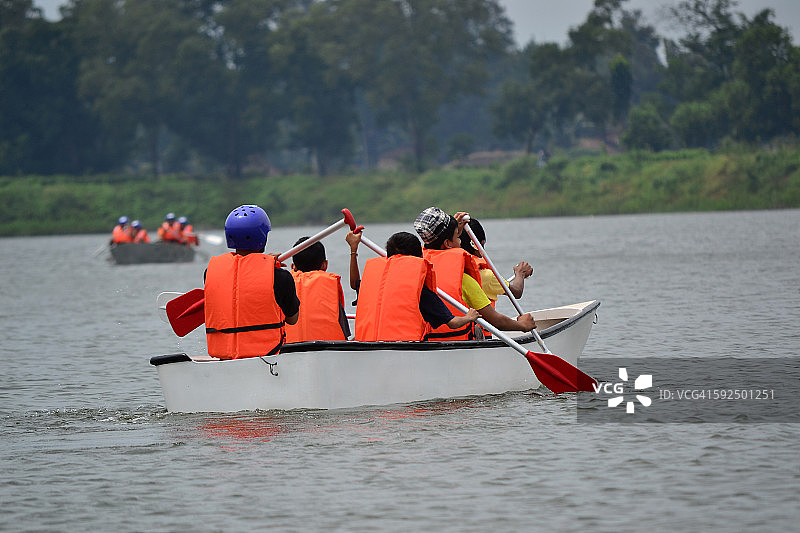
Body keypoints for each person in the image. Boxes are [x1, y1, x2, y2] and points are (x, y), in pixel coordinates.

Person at [413, 207, 536, 340]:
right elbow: (497, 321)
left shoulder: (419, 269)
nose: (461, 240)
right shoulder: (465, 280)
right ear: (448, 243)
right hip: (459, 342)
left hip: (426, 339)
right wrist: (522, 325)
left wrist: (453, 228)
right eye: (457, 236)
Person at [347, 230, 480, 342]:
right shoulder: (420, 290)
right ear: (419, 257)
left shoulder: (374, 284)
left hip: (369, 348)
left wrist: (354, 249)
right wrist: (468, 317)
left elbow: (354, 283)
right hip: (406, 350)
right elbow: (452, 323)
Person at [203, 205, 299, 359]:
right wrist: (265, 264)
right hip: (268, 356)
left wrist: (263, 263)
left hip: (225, 358)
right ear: (263, 237)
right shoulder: (281, 277)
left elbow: (241, 281)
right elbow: (292, 319)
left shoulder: (209, 273)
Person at [285, 236, 350, 343]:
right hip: (328, 350)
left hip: (289, 349)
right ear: (325, 265)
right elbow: (345, 334)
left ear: (293, 266)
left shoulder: (283, 285)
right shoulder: (330, 286)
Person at [459, 217, 533, 304]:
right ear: (480, 244)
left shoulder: (451, 268)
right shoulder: (486, 276)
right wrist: (520, 273)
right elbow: (516, 292)